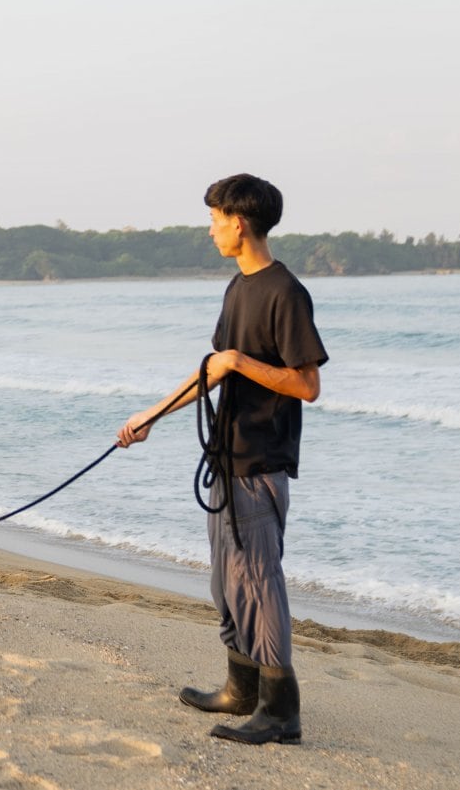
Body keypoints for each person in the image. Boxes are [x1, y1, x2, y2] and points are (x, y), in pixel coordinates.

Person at [117, 173, 328, 746]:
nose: (210, 228)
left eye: (214, 218)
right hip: (226, 459)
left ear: (239, 222)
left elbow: (307, 384)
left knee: (260, 584)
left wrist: (239, 362)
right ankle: (241, 688)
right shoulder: (238, 289)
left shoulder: (285, 292)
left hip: (261, 465)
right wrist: (149, 418)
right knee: (226, 584)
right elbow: (213, 369)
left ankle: (282, 712)